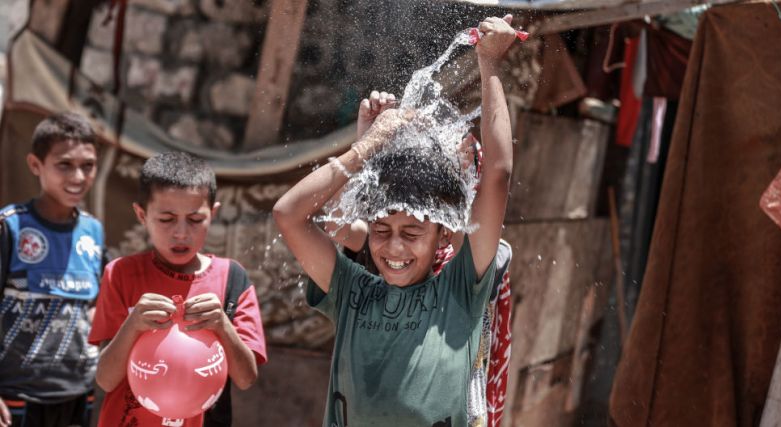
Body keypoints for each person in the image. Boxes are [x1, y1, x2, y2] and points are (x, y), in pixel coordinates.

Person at [273, 15, 517, 426]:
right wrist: (368, 145)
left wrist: (489, 64)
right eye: (381, 231)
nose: (394, 247)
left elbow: (497, 173)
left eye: (412, 232)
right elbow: (291, 214)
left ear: (444, 228)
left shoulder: (459, 291)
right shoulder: (354, 293)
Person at [89, 152, 267, 427]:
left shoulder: (233, 279)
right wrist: (133, 325)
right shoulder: (121, 274)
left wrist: (222, 325)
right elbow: (105, 378)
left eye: (195, 220)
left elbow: (246, 378)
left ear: (213, 214)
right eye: (166, 219)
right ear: (141, 214)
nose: (181, 232)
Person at [0, 112, 105, 427]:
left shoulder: (93, 231)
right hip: (16, 395)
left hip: (78, 393)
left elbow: (96, 303)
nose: (78, 176)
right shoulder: (10, 227)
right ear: (35, 165)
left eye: (88, 165)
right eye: (65, 165)